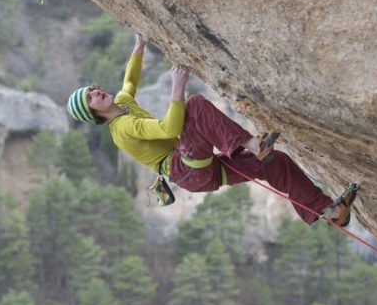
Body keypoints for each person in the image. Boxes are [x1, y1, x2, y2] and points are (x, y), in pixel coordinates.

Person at [66, 32, 354, 226]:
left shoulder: (122, 102)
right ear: (92, 113)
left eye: (93, 89)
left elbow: (129, 82)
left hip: (204, 168)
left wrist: (138, 47)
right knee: (195, 105)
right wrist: (176, 89)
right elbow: (168, 129)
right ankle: (253, 145)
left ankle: (329, 211)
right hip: (185, 168)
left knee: (276, 164)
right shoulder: (124, 127)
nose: (96, 92)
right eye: (90, 97)